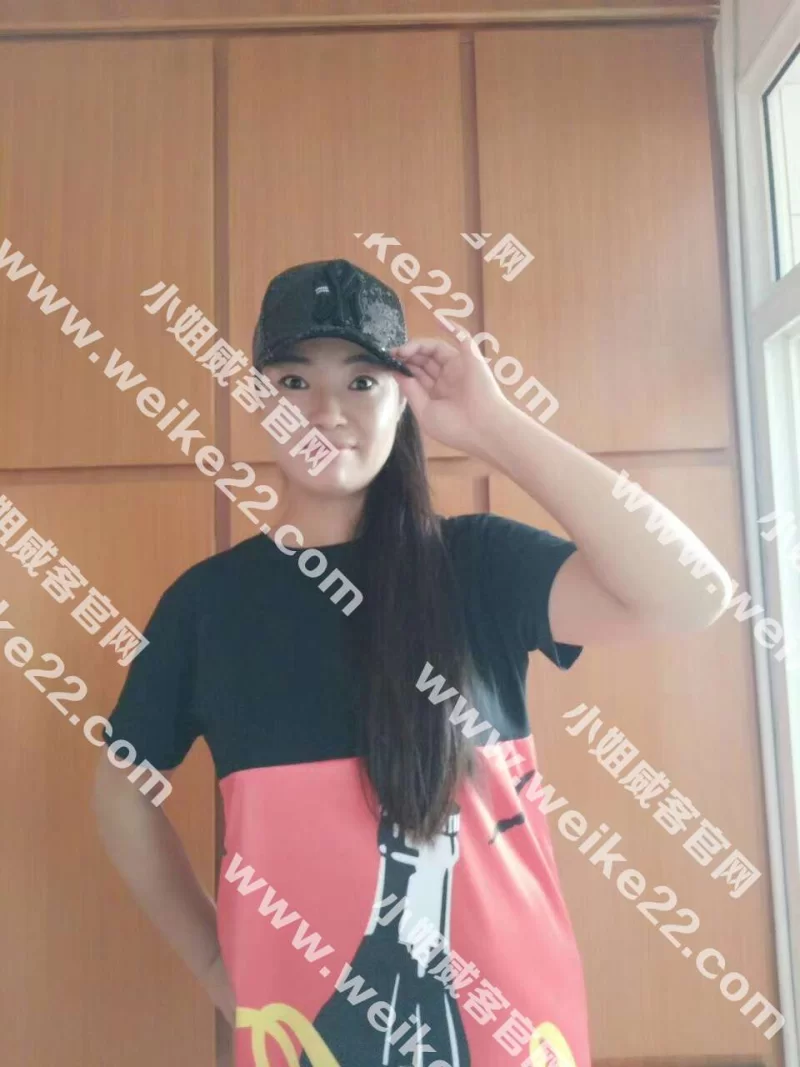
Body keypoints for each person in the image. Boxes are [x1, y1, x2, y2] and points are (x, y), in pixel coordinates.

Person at [92, 258, 733, 1067]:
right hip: (310, 1035)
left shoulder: (476, 565)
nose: (325, 411)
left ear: (402, 399)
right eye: (293, 381)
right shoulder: (208, 605)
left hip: (513, 1034)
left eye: (362, 381)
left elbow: (691, 594)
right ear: (259, 397)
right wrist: (217, 963)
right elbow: (122, 788)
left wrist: (496, 426)